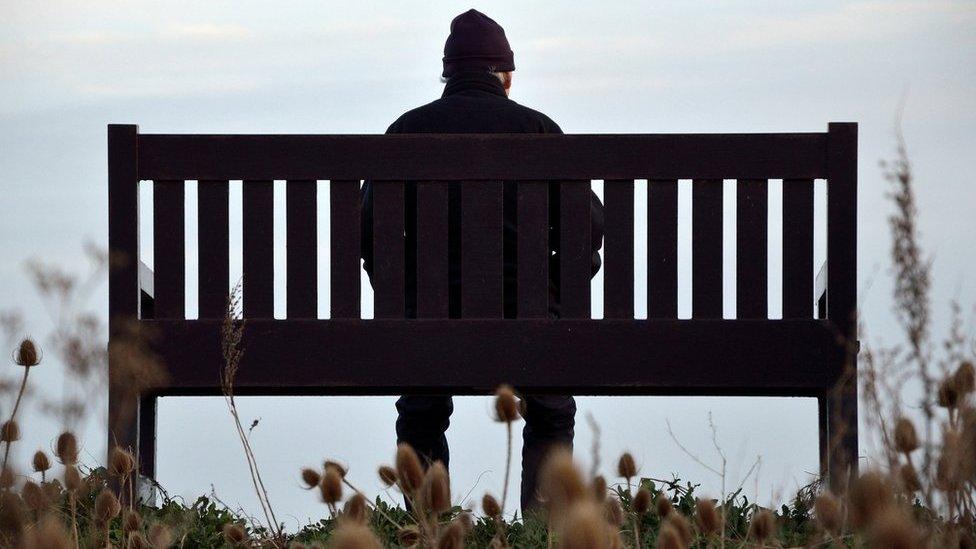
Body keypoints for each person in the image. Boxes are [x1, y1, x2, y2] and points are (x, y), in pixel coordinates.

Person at [360, 9, 604, 511]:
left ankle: (430, 531)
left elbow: (369, 238)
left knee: (421, 412)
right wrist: (558, 292)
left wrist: (403, 302)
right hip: (533, 320)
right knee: (552, 412)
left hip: (428, 326)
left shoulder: (406, 132)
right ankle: (545, 533)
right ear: (506, 75)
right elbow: (590, 231)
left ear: (447, 74)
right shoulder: (540, 131)